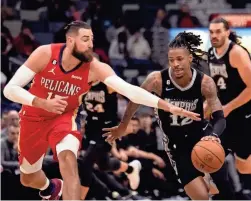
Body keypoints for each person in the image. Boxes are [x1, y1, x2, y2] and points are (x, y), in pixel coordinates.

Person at [3, 20, 200, 200]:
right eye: (85, 39)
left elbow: (131, 91)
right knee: (28, 179)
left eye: (92, 40)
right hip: (34, 117)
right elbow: (9, 90)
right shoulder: (45, 53)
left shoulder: (95, 68)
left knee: (70, 160)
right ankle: (50, 188)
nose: (91, 44)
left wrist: (168, 105)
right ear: (70, 41)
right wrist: (41, 102)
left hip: (66, 119)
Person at [103, 31, 234, 200]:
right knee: (201, 197)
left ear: (190, 59)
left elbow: (219, 117)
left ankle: (214, 182)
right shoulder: (156, 80)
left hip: (202, 137)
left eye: (180, 59)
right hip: (176, 145)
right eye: (171, 60)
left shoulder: (205, 82)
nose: (176, 64)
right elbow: (135, 99)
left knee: (226, 190)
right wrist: (123, 126)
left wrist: (214, 135)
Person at [207, 17, 251, 196]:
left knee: (243, 165)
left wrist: (228, 107)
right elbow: (217, 87)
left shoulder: (236, 53)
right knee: (208, 154)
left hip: (246, 116)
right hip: (226, 116)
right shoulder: (210, 54)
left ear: (227, 32)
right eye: (211, 32)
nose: (214, 35)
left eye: (218, 31)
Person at [79, 80, 141, 200]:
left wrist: (125, 122)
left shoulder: (108, 84)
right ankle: (131, 168)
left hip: (107, 130)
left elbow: (132, 93)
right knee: (103, 164)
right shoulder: (83, 82)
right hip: (90, 129)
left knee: (86, 163)